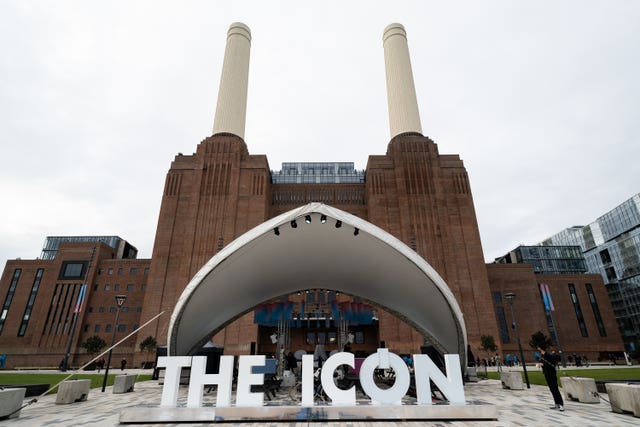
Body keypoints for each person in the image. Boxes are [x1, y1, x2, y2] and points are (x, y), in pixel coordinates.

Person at [537, 344, 564, 411]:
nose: (537, 348)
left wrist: (543, 364)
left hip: (551, 374)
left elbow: (552, 364)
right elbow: (542, 362)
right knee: (552, 389)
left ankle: (561, 404)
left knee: (555, 389)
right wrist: (540, 364)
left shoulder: (549, 355)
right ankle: (556, 404)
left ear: (540, 348)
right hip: (546, 374)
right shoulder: (542, 356)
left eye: (538, 347)